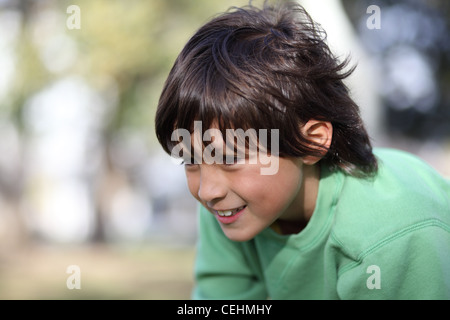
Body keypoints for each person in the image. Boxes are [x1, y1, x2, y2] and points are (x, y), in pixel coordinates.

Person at [155, 1, 450, 299]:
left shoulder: (390, 236)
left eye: (230, 157)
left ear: (312, 141)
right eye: (190, 160)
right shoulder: (230, 207)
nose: (207, 191)